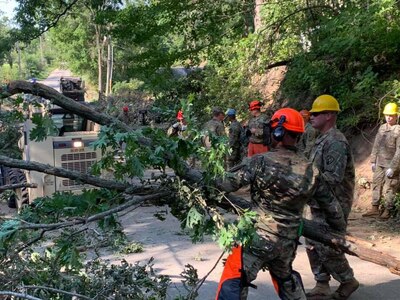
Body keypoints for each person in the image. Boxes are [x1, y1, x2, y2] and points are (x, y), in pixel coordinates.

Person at [215, 108, 315, 300]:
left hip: (259, 237)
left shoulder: (260, 162)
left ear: (278, 132)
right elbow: (328, 205)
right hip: (288, 241)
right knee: (285, 276)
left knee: (235, 276)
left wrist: (202, 179)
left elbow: (225, 183)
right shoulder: (311, 169)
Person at [306, 94, 359, 300]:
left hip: (334, 204)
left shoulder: (335, 141)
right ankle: (321, 282)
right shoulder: (322, 139)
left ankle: (348, 280)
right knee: (312, 241)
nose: (311, 117)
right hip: (319, 201)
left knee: (329, 244)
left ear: (329, 115)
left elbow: (333, 178)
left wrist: (307, 179)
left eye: (316, 113)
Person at [363, 102, 400, 220]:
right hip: (380, 162)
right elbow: (376, 144)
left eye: (391, 115)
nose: (389, 118)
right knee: (376, 183)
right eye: (387, 115)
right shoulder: (382, 128)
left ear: (396, 116)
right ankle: (374, 208)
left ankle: (387, 210)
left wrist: (393, 167)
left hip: (391, 164)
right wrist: (373, 160)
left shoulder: (398, 130)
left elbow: (399, 151)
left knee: (390, 187)